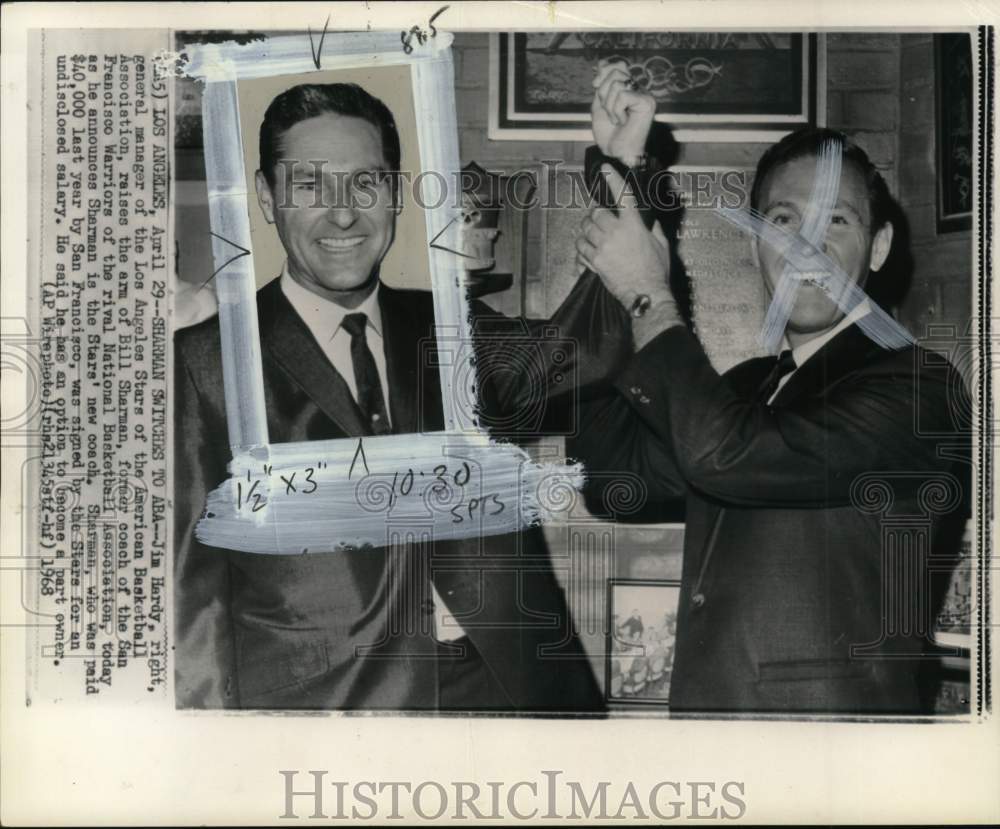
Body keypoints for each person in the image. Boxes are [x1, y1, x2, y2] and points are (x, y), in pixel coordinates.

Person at [173, 71, 657, 711]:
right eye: (310, 184)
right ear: (267, 197)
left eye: (366, 182)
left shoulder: (452, 326)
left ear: (397, 194)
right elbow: (189, 596)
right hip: (330, 717)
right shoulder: (204, 360)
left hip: (509, 695)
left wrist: (623, 166)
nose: (342, 213)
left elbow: (585, 349)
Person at [570, 108, 969, 713]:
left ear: (879, 246)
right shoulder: (753, 385)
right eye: (782, 220)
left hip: (829, 763)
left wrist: (648, 292)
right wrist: (625, 204)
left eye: (835, 219)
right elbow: (612, 476)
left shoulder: (920, 387)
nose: (805, 244)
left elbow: (726, 454)